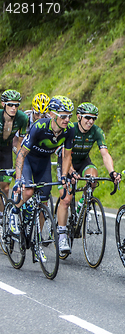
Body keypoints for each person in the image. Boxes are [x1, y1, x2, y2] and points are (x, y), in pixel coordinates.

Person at [10, 96, 75, 261]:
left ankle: (37, 244)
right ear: (53, 115)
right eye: (63, 116)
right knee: (29, 191)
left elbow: (67, 156)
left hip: (44, 162)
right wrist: (18, 180)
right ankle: (13, 210)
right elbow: (21, 154)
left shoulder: (69, 130)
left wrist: (63, 177)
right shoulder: (39, 127)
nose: (67, 120)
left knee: (44, 201)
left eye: (69, 116)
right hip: (28, 161)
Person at [56, 102, 122, 254]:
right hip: (67, 162)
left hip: (84, 161)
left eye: (93, 118)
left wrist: (112, 172)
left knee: (93, 178)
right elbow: (66, 155)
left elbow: (105, 154)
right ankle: (62, 235)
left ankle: (81, 205)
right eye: (87, 118)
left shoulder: (96, 131)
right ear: (79, 117)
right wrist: (71, 172)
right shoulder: (70, 129)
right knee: (66, 199)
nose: (90, 121)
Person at [0, 89, 28, 216]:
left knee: (5, 186)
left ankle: (3, 215)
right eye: (10, 104)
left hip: (6, 149)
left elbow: (19, 143)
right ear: (3, 104)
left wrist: (20, 158)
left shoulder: (22, 118)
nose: (13, 108)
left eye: (16, 105)